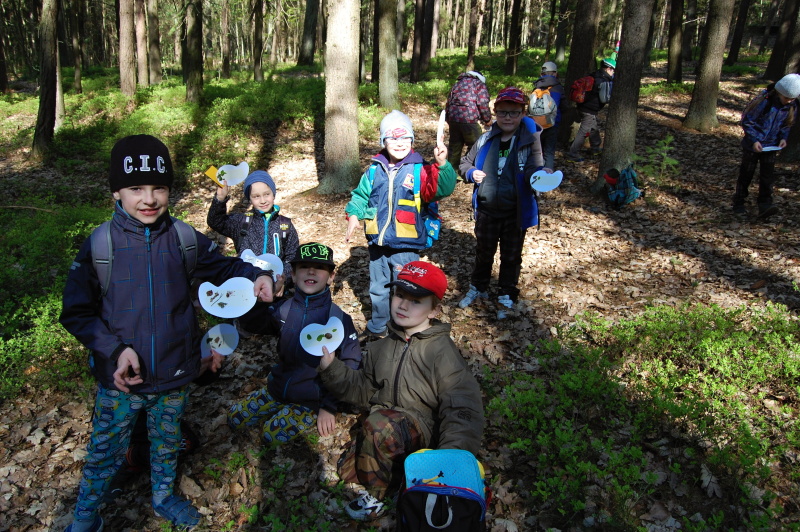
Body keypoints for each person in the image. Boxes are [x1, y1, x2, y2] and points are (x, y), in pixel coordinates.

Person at [59, 134, 275, 532]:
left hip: (175, 374)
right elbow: (76, 312)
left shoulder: (183, 238)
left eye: (158, 188)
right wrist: (114, 350)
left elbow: (225, 267)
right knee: (104, 451)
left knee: (166, 441)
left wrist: (256, 275)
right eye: (135, 189)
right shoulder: (100, 245)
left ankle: (162, 496)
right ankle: (85, 517)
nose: (149, 199)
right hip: (121, 381)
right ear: (116, 192)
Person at [317, 261, 484, 521]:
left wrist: (448, 459)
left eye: (416, 301)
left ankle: (380, 497)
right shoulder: (381, 347)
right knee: (348, 470)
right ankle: (399, 478)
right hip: (388, 426)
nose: (403, 305)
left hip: (423, 434)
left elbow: (463, 410)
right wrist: (332, 368)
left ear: (434, 310)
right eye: (399, 295)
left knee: (379, 426)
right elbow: (362, 391)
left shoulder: (442, 353)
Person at [227, 242, 361, 445]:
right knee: (234, 418)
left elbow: (352, 363)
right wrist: (262, 302)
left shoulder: (338, 319)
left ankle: (306, 409)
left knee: (269, 436)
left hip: (311, 398)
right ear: (293, 274)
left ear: (331, 276)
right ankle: (277, 399)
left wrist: (328, 406)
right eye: (304, 267)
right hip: (277, 387)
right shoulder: (283, 310)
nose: (311, 271)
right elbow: (253, 325)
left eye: (320, 267)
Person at [345, 110, 457, 340]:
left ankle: (402, 328)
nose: (399, 143)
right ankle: (378, 326)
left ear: (412, 140)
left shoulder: (420, 170)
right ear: (383, 141)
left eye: (405, 137)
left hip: (406, 246)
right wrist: (354, 215)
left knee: (405, 290)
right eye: (392, 138)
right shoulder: (374, 170)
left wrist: (442, 164)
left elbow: (442, 189)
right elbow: (360, 196)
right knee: (378, 288)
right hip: (377, 243)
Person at [458, 86, 548, 319]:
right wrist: (471, 173)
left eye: (514, 113)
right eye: (503, 112)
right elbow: (465, 163)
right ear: (495, 112)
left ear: (522, 113)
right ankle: (478, 287)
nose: (508, 117)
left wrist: (541, 176)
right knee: (483, 252)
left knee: (511, 256)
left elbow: (535, 168)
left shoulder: (529, 140)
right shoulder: (486, 138)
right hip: (487, 209)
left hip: (515, 212)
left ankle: (506, 293)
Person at [208, 169, 300, 297]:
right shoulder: (241, 222)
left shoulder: (285, 225)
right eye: (256, 196)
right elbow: (215, 221)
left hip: (276, 290)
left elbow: (292, 258)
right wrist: (220, 198)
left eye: (266, 194)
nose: (263, 200)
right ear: (250, 199)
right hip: (245, 287)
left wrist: (284, 280)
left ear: (273, 194)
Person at [732, 73, 799, 219]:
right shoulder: (764, 101)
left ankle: (765, 204)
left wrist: (783, 138)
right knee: (746, 174)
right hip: (752, 146)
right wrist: (754, 140)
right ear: (779, 92)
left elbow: (787, 125)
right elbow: (747, 121)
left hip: (771, 146)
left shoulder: (792, 106)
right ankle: (739, 203)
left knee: (767, 176)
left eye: (792, 99)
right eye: (787, 98)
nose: (789, 101)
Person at [567, 57, 616, 162]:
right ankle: (573, 154)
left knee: (593, 127)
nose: (613, 72)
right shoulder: (603, 81)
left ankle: (595, 147)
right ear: (608, 69)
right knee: (583, 132)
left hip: (582, 106)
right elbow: (604, 99)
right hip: (589, 110)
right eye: (613, 70)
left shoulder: (595, 74)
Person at [445, 70, 492, 169]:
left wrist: (448, 119)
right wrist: (487, 119)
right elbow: (482, 103)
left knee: (454, 147)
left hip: (453, 119)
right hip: (469, 120)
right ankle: (467, 168)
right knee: (477, 144)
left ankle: (452, 171)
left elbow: (449, 102)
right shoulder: (479, 84)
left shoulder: (457, 84)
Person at [533, 61, 565, 169]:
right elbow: (563, 106)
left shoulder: (537, 85)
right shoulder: (557, 87)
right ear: (555, 73)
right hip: (552, 124)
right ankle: (548, 176)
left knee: (537, 151)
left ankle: (536, 173)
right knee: (549, 152)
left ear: (542, 73)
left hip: (537, 123)